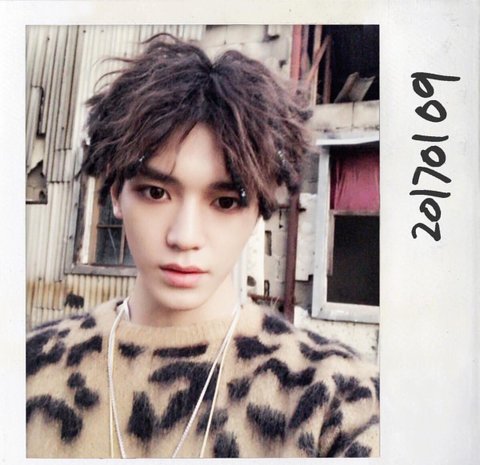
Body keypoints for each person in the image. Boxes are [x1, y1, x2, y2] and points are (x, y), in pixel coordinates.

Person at [26, 33, 379, 458]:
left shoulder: (336, 398)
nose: (185, 237)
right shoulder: (28, 369)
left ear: (260, 209)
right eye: (156, 193)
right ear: (116, 193)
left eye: (225, 201)